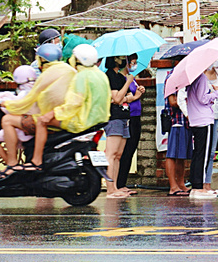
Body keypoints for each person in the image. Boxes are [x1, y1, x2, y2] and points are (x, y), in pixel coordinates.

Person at [30, 44, 111, 170]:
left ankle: (36, 160)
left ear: (77, 59)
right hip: (99, 122)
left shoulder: (81, 76)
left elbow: (74, 102)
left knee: (41, 121)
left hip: (81, 122)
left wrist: (52, 113)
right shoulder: (101, 75)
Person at [0, 43, 71, 172]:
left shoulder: (47, 75)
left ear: (42, 60)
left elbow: (27, 102)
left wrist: (2, 104)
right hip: (67, 116)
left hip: (52, 119)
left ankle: (13, 163)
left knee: (7, 120)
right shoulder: (69, 70)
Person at [104, 55, 142, 198]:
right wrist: (128, 82)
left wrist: (136, 94)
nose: (124, 61)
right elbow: (117, 98)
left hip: (124, 117)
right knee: (111, 154)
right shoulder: (110, 76)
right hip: (114, 118)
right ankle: (110, 189)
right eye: (121, 58)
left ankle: (115, 187)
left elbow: (126, 98)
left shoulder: (119, 77)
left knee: (118, 155)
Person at [0, 65, 38, 167]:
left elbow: (15, 107)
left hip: (23, 128)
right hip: (31, 126)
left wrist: (0, 102)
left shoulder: (24, 92)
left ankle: (11, 163)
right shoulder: (35, 88)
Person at [185, 65, 218, 200]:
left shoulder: (192, 79)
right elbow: (203, 98)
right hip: (204, 120)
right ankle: (199, 187)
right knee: (204, 155)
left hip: (195, 119)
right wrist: (216, 93)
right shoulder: (202, 78)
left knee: (198, 154)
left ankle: (196, 186)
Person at [116, 54, 145, 195]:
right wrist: (135, 97)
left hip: (136, 117)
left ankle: (123, 182)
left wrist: (140, 90)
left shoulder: (131, 78)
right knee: (125, 151)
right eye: (132, 62)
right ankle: (119, 183)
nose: (134, 65)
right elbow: (122, 98)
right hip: (128, 117)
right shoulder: (122, 79)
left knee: (131, 150)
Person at [201, 65, 218, 196]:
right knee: (203, 152)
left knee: (211, 153)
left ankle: (208, 183)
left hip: (216, 114)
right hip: (204, 116)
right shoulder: (200, 74)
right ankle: (200, 184)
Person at [164, 87, 192, 196]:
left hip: (186, 122)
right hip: (176, 121)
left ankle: (181, 184)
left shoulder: (186, 79)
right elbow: (173, 102)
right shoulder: (173, 78)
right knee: (172, 154)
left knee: (182, 155)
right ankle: (173, 187)